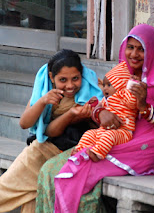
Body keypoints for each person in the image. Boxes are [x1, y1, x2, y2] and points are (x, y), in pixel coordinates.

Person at [36, 24, 154, 213]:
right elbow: (105, 103)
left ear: (153, 50)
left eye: (141, 49)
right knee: (48, 170)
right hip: (108, 139)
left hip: (143, 148)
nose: (134, 54)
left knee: (72, 177)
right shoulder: (121, 75)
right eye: (130, 47)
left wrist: (145, 108)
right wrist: (100, 112)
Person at [0, 49, 103, 213]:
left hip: (66, 153)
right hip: (40, 151)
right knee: (4, 191)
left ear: (81, 75)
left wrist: (73, 115)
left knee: (31, 196)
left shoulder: (90, 94)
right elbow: (24, 123)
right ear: (51, 78)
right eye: (63, 80)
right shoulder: (44, 91)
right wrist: (43, 101)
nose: (70, 85)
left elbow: (53, 131)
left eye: (75, 78)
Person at [72, 61, 139, 162]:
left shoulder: (124, 97)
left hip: (123, 132)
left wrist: (131, 86)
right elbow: (97, 110)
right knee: (89, 134)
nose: (105, 88)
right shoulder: (105, 99)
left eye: (109, 85)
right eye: (104, 85)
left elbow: (132, 102)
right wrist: (93, 104)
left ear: (119, 85)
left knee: (109, 136)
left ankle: (97, 154)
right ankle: (79, 150)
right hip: (103, 130)